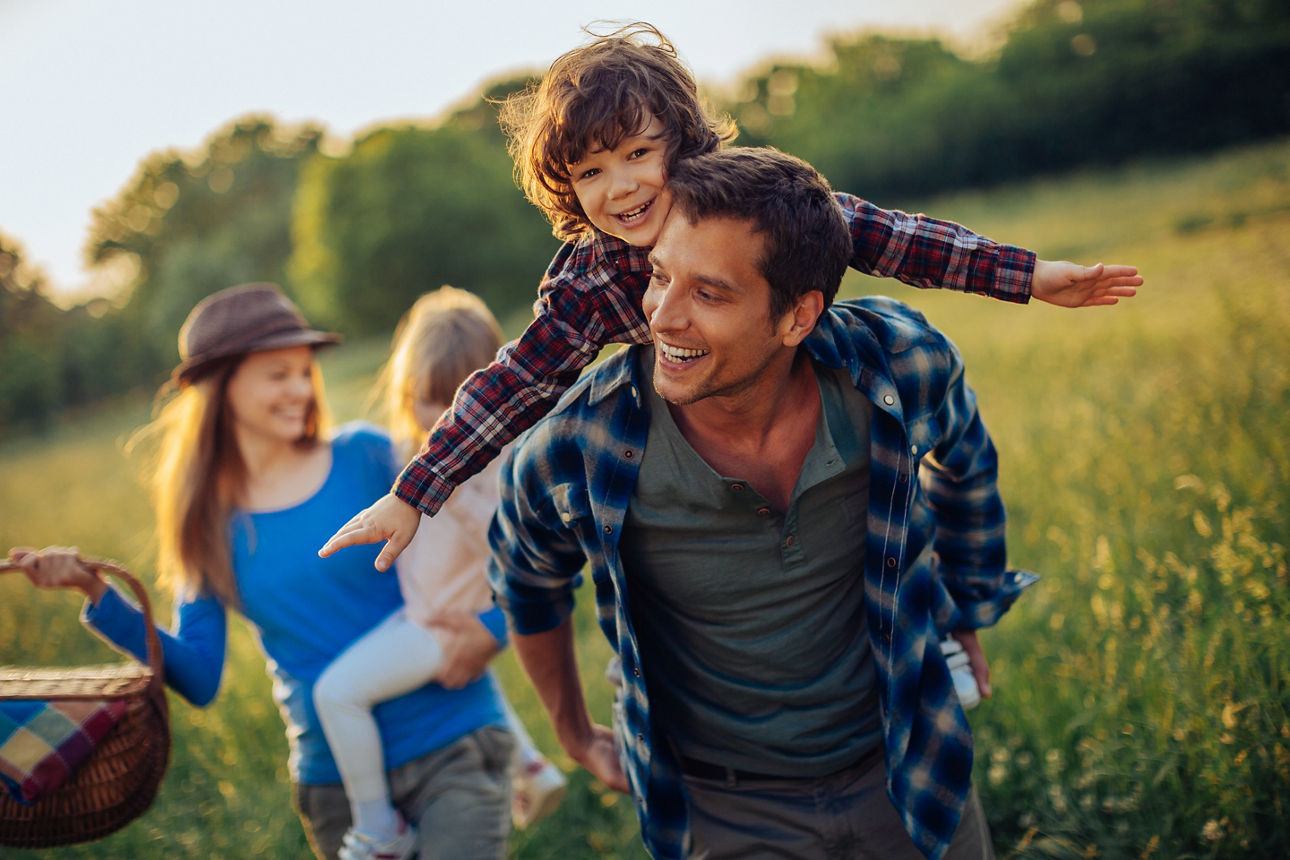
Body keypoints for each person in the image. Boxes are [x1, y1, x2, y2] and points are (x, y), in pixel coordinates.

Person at [319, 22, 1141, 572]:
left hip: (796, 379)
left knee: (872, 475)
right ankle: (649, 646)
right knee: (640, 483)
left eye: (638, 152)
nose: (622, 187)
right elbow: (517, 380)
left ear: (679, 139)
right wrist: (414, 491)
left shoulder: (748, 200)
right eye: (590, 172)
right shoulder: (589, 277)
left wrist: (1028, 276)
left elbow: (884, 235)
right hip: (688, 427)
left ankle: (927, 609)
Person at [487, 147, 1039, 860]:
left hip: (910, 764)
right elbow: (525, 580)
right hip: (721, 811)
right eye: (659, 276)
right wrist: (571, 732)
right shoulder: (578, 443)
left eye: (709, 294)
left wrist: (967, 596)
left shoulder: (899, 363)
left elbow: (963, 460)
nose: (664, 316)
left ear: (797, 316)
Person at [8, 283, 514, 860]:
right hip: (336, 787)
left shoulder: (370, 456)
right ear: (222, 390)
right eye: (278, 374)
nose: (300, 388)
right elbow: (198, 676)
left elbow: (507, 542)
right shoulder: (206, 525)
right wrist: (94, 592)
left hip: (456, 741)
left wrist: (491, 633)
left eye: (304, 371)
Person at [312, 285, 566, 849]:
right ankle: (530, 767)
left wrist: (459, 495)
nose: (443, 419)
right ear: (406, 391)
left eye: (460, 401)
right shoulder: (411, 448)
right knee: (475, 679)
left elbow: (522, 547)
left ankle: (379, 828)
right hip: (431, 611)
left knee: (337, 693)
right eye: (429, 397)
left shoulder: (493, 469)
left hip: (443, 622)